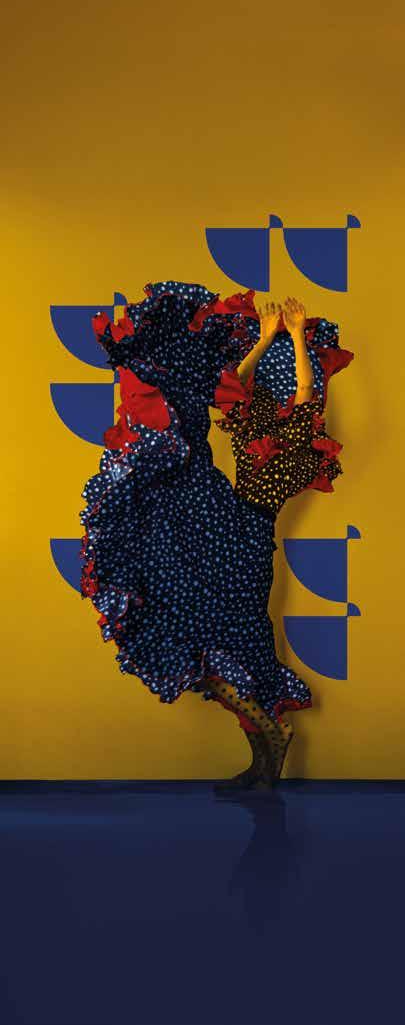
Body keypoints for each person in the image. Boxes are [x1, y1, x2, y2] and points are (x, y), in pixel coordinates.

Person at [79, 281, 354, 791]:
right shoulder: (254, 418)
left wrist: (296, 337)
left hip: (247, 540)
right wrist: (264, 338)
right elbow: (230, 385)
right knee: (223, 641)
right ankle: (264, 755)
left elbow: (304, 396)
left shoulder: (293, 438)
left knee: (235, 641)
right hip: (228, 528)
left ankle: (272, 738)